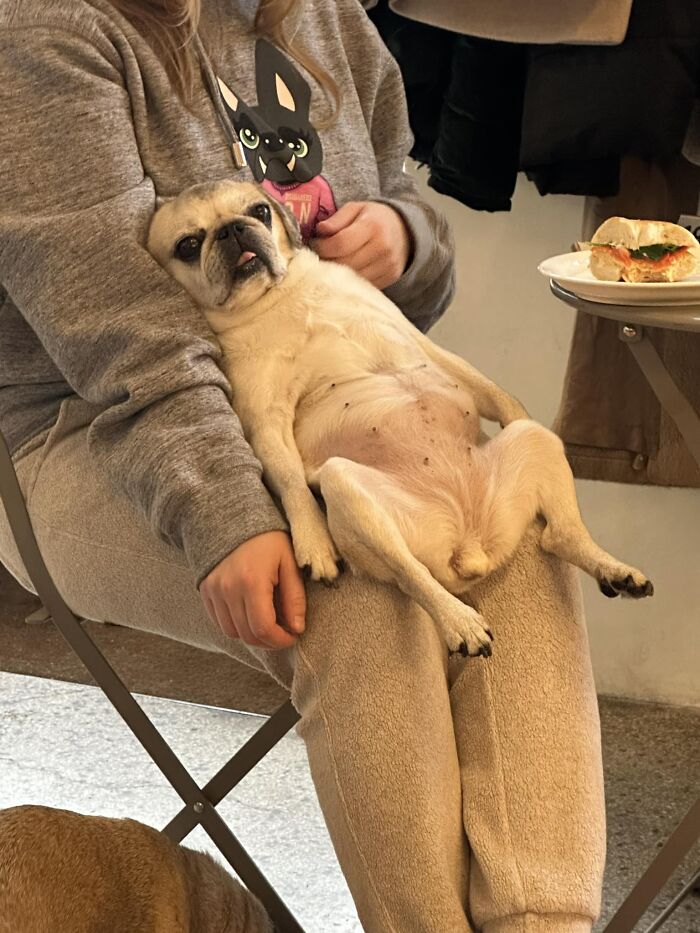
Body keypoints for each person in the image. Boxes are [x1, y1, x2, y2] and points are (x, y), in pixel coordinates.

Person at [0, 1, 606, 930]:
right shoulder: (43, 34)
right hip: (94, 433)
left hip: (314, 411)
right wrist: (228, 516)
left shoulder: (319, 13)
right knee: (352, 592)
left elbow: (398, 246)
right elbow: (126, 337)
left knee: (512, 531)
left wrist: (405, 240)